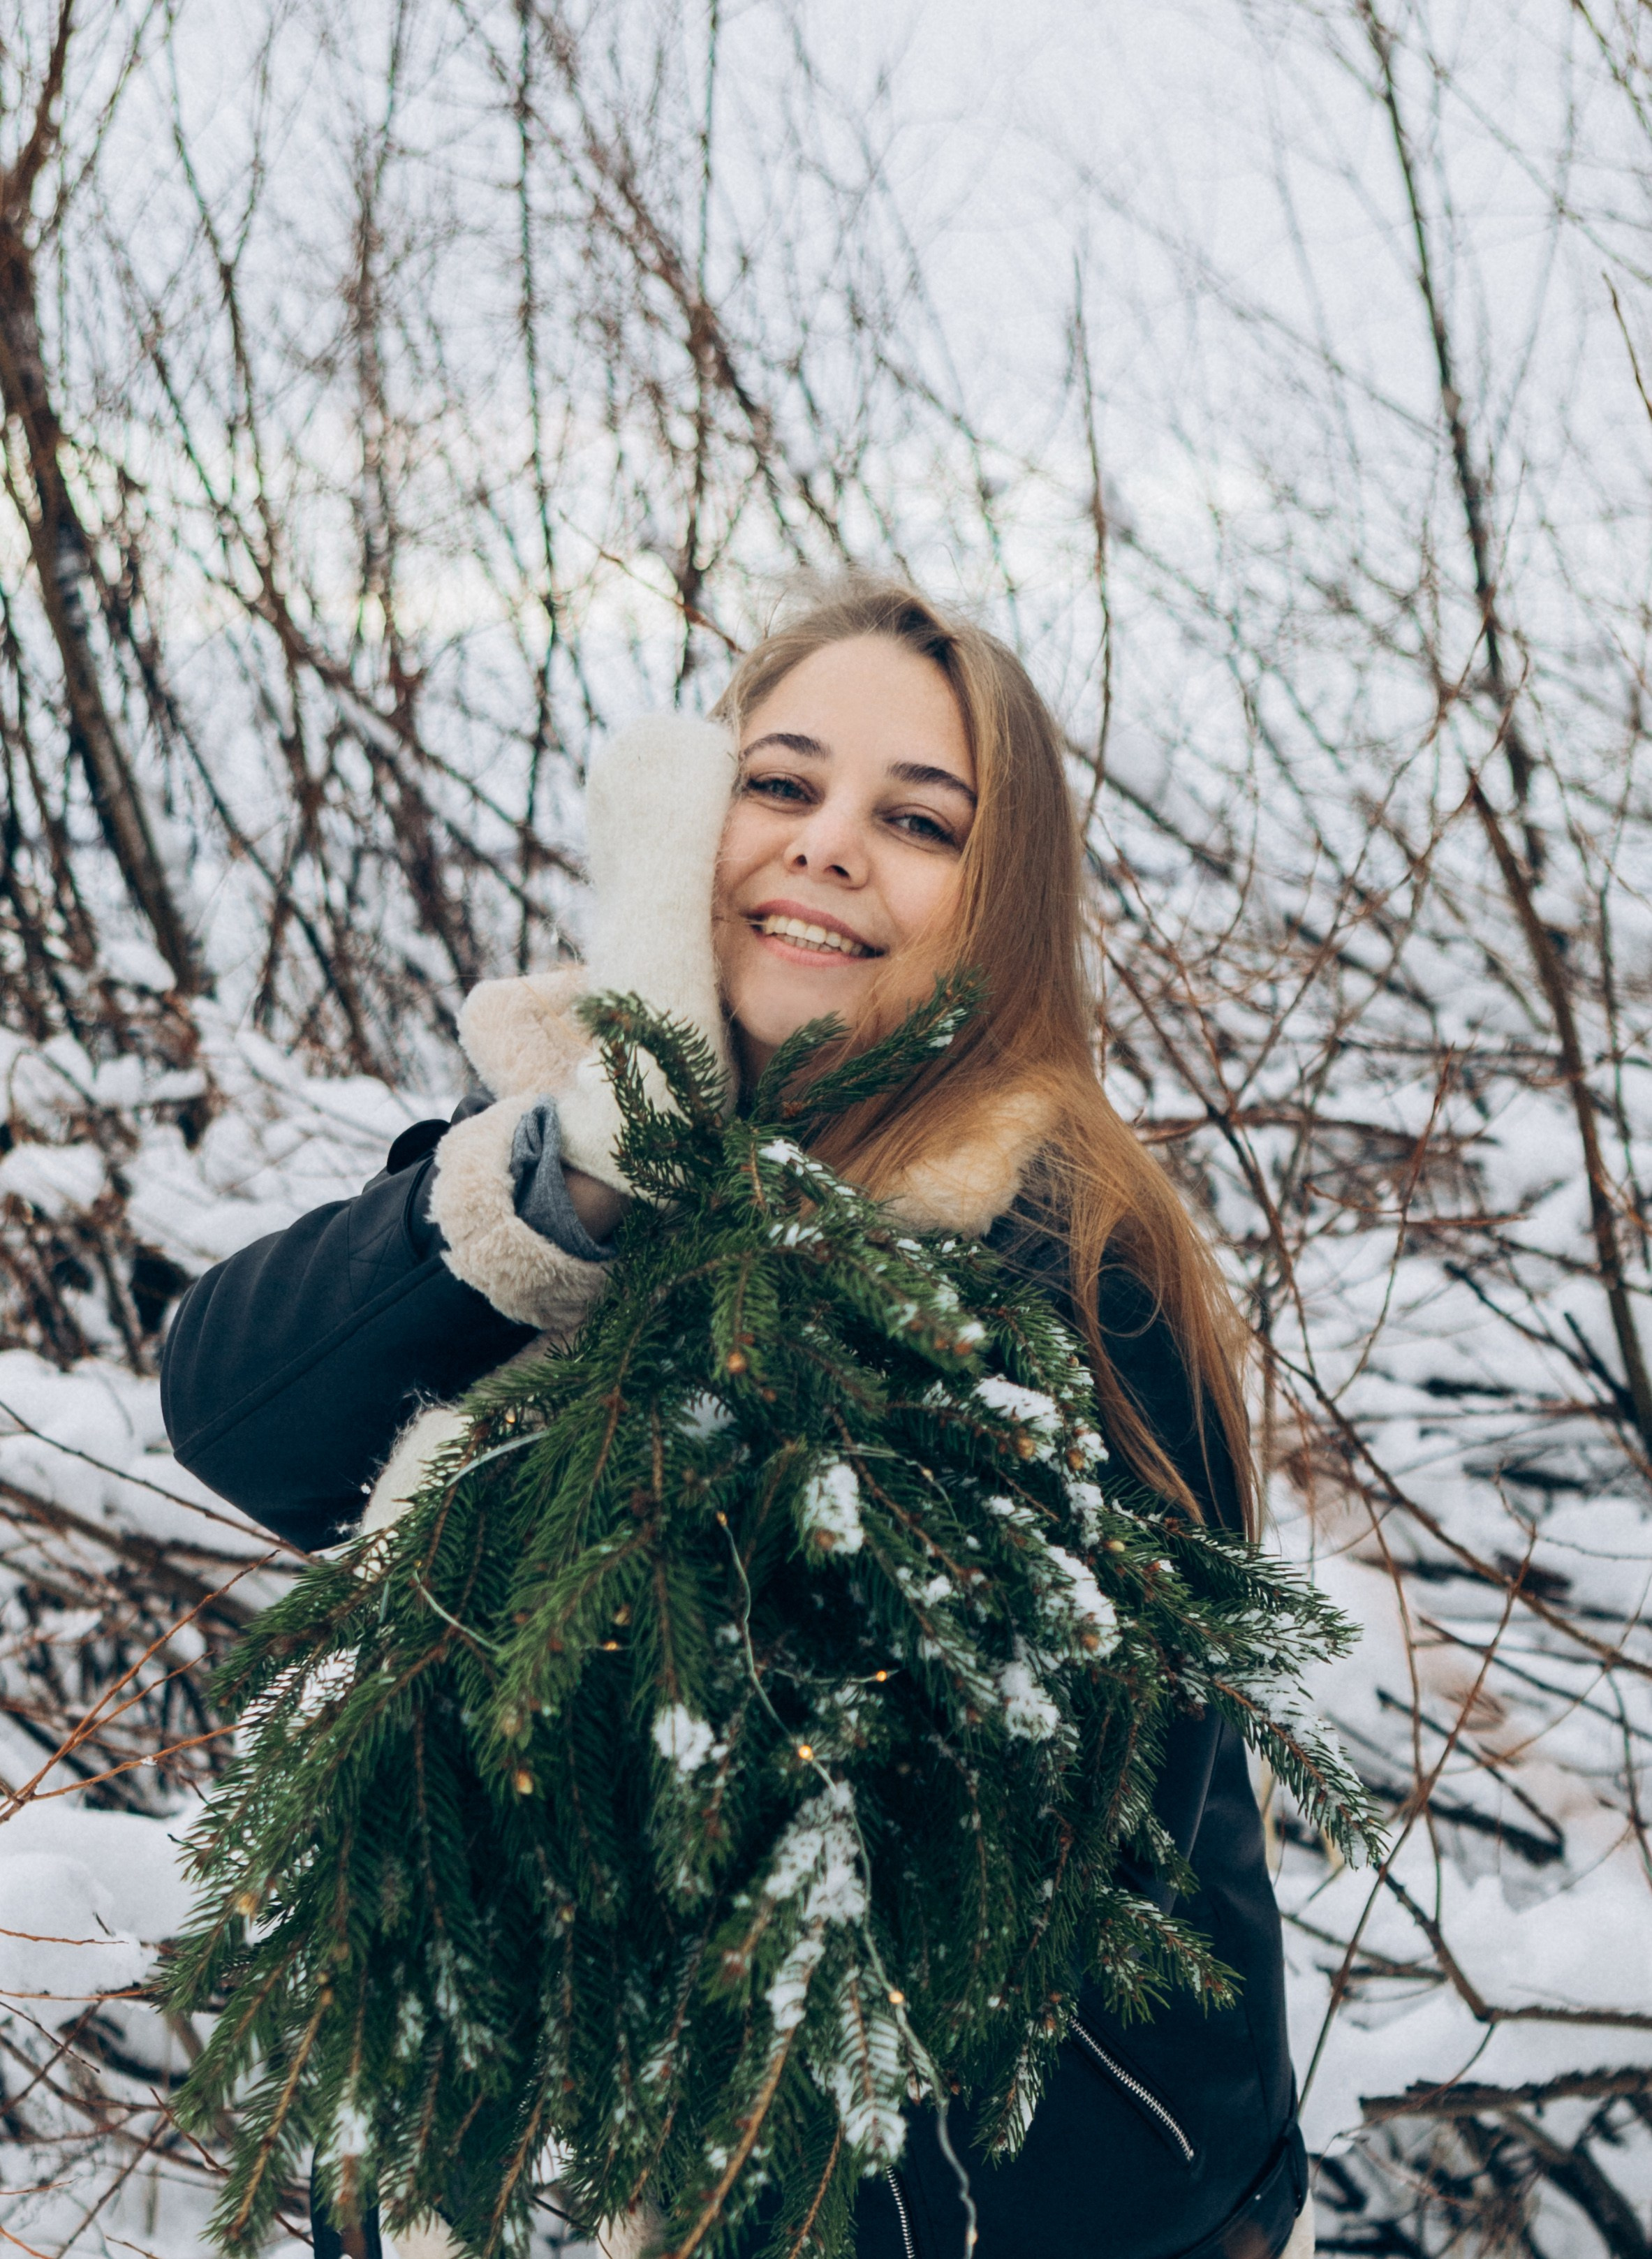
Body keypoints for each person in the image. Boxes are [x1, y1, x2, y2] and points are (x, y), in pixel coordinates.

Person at [161, 579, 1312, 2259]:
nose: (827, 845)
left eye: (917, 820)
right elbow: (243, 1419)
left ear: (996, 905)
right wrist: (585, 1176)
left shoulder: (1055, 1264)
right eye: (781, 785)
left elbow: (936, 1846)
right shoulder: (589, 1142)